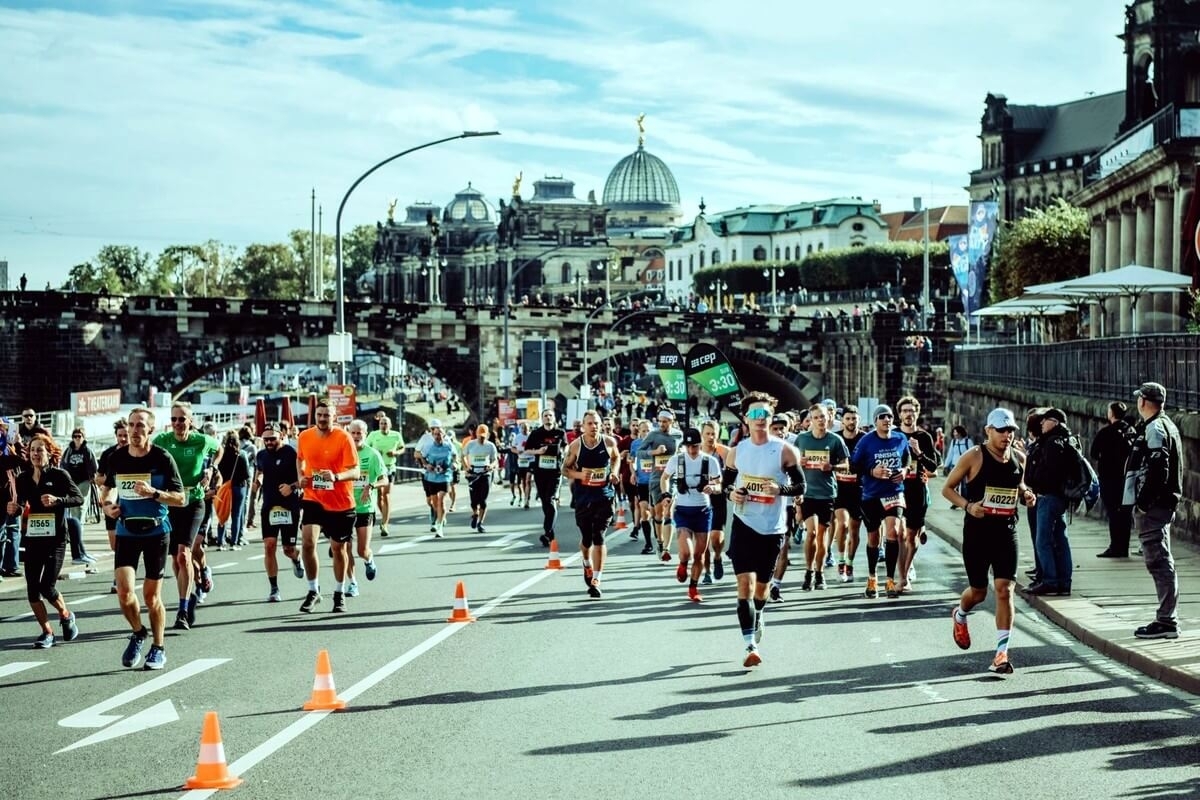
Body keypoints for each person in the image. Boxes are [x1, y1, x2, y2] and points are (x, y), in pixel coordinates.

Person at [942, 408, 1036, 675]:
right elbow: (947, 489)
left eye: (1011, 431)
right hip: (977, 533)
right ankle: (960, 614)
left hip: (1006, 531)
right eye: (1001, 430)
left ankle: (1001, 653)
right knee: (979, 592)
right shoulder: (973, 456)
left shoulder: (1019, 457)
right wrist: (968, 506)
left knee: (1005, 589)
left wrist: (1027, 494)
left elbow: (1019, 485)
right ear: (988, 431)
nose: (1007, 435)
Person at [723, 392, 805, 667]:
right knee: (744, 585)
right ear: (745, 419)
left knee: (761, 591)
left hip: (772, 529)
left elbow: (800, 487)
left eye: (765, 414)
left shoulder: (784, 450)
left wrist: (779, 489)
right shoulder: (737, 452)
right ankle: (750, 645)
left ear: (771, 418)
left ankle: (758, 614)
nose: (760, 419)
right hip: (744, 524)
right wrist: (732, 494)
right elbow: (726, 486)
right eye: (755, 415)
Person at [100, 407, 185, 670]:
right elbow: (107, 488)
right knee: (124, 593)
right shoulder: (117, 457)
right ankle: (138, 632)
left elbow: (181, 498)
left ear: (151, 429)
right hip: (126, 530)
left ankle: (159, 648)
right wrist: (107, 505)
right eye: (131, 425)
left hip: (156, 532)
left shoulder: (162, 457)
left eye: (140, 426)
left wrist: (154, 493)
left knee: (151, 597)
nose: (134, 430)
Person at [7, 434, 83, 648]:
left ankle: (66, 615)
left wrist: (57, 500)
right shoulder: (23, 478)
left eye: (40, 450)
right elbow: (21, 505)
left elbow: (79, 498)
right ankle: (47, 632)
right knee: (32, 588)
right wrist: (15, 509)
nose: (35, 454)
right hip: (33, 538)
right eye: (32, 450)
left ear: (49, 453)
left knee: (47, 587)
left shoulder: (59, 475)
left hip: (56, 539)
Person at [153, 402, 221, 632]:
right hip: (170, 503)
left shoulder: (201, 440)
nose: (178, 424)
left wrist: (210, 468)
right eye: (174, 419)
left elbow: (218, 448)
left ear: (190, 421)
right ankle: (190, 592)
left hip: (193, 502)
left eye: (182, 419)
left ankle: (182, 609)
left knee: (184, 554)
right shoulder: (162, 440)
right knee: (175, 560)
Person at [1124, 382, 1184, 639]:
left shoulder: (1156, 428)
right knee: (1160, 558)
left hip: (1155, 506)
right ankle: (1166, 618)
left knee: (1158, 560)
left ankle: (1167, 621)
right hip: (1161, 503)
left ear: (1143, 402)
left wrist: (1144, 502)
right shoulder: (1165, 424)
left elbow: (1160, 466)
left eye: (1139, 398)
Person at [295, 400, 360, 613]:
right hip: (313, 497)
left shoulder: (344, 437)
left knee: (338, 548)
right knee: (307, 543)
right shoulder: (305, 436)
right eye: (319, 415)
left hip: (340, 502)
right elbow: (300, 460)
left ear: (334, 417)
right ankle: (313, 590)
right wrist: (301, 476)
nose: (322, 419)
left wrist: (336, 476)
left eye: (327, 415)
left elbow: (356, 471)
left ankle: (339, 592)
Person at [848, 405, 910, 600]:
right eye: (882, 417)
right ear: (875, 421)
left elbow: (907, 459)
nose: (887, 420)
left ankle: (890, 580)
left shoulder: (900, 438)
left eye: (890, 416)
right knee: (874, 538)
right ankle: (872, 577)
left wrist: (905, 472)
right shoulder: (866, 441)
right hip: (872, 494)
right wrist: (871, 472)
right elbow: (853, 465)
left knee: (894, 532)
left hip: (894, 492)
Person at [561, 410, 621, 598]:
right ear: (583, 426)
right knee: (586, 539)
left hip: (604, 495)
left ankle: (597, 578)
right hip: (584, 497)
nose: (594, 427)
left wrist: (614, 473)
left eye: (596, 423)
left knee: (599, 536)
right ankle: (586, 562)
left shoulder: (609, 442)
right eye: (590, 423)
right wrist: (580, 475)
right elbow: (564, 469)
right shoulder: (576, 446)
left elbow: (616, 457)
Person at [661, 427, 722, 602]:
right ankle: (682, 564)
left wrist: (714, 488)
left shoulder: (710, 461)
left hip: (703, 511)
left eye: (694, 446)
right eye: (688, 446)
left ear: (700, 445)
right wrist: (666, 495)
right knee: (686, 552)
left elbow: (719, 484)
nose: (691, 450)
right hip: (683, 510)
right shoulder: (677, 460)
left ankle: (693, 588)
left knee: (699, 554)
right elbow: (664, 478)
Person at [794, 403, 850, 591]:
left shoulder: (835, 440)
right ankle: (808, 571)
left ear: (829, 418)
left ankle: (819, 573)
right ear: (811, 420)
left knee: (823, 535)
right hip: (808, 492)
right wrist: (798, 463)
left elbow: (846, 464)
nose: (820, 420)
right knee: (812, 533)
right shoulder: (802, 439)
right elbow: (790, 464)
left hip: (826, 493)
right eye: (816, 417)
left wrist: (831, 467)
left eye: (823, 417)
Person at [1023, 408, 1076, 596]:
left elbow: (1051, 473)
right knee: (1060, 540)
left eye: (1045, 420)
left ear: (1054, 422)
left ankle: (1050, 581)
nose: (1042, 424)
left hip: (1049, 497)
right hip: (1056, 497)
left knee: (1043, 541)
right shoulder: (1061, 440)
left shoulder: (1053, 443)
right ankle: (1063, 583)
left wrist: (1036, 482)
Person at [253, 422, 303, 603]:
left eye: (272, 439)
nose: (269, 442)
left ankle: (296, 558)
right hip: (269, 506)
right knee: (269, 545)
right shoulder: (261, 455)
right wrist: (257, 482)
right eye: (265, 439)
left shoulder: (292, 453)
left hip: (290, 506)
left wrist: (291, 487)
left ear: (281, 436)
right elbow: (259, 471)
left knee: (288, 549)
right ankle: (274, 588)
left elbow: (303, 478)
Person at [344, 420, 385, 596]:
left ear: (366, 434)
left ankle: (369, 560)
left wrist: (372, 486)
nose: (356, 436)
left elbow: (385, 479)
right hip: (344, 507)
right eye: (352, 433)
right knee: (345, 549)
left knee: (361, 550)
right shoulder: (343, 454)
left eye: (359, 433)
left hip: (365, 508)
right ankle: (352, 583)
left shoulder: (373, 454)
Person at [1091, 401, 1134, 558]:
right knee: (1125, 513)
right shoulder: (1130, 430)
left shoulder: (1106, 432)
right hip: (1127, 478)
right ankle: (1124, 546)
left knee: (1113, 513)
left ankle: (1115, 546)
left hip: (1109, 478)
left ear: (1111, 414)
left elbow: (1094, 452)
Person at [832, 404, 867, 582]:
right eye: (847, 418)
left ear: (858, 420)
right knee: (843, 524)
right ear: (842, 421)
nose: (851, 421)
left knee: (854, 530)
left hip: (859, 489)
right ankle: (841, 562)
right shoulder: (836, 439)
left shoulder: (865, 439)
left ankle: (850, 564)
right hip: (840, 489)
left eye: (854, 418)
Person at [525, 411, 567, 547]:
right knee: (545, 502)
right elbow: (527, 450)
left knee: (550, 499)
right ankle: (550, 533)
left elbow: (566, 448)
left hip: (555, 472)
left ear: (554, 418)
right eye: (545, 416)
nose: (548, 418)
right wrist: (538, 452)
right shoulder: (536, 433)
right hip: (540, 472)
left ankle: (547, 532)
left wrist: (561, 452)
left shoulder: (560, 432)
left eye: (550, 415)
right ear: (542, 419)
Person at [60, 428, 99, 569]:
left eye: (79, 436)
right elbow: (63, 464)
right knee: (70, 511)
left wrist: (93, 479)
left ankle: (79, 538)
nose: (77, 439)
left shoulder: (87, 451)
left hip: (83, 482)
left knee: (80, 510)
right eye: (75, 436)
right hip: (71, 483)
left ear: (83, 437)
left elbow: (93, 465)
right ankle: (77, 542)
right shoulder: (68, 451)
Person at [415, 419, 454, 538]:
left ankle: (440, 526)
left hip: (444, 477)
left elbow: (455, 457)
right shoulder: (428, 446)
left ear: (443, 434)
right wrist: (427, 465)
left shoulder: (448, 446)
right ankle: (438, 518)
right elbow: (421, 456)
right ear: (433, 435)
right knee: (434, 501)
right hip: (431, 477)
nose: (437, 436)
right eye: (435, 434)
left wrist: (453, 465)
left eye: (439, 434)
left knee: (441, 500)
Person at [365, 415, 403, 537]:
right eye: (381, 423)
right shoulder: (373, 435)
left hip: (390, 467)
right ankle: (384, 515)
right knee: (379, 496)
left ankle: (384, 524)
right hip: (377, 469)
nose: (383, 425)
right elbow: (366, 447)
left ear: (390, 425)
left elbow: (402, 447)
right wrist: (375, 453)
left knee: (386, 495)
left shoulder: (396, 435)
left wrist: (395, 452)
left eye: (385, 423)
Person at [215, 430, 251, 550]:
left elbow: (218, 471)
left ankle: (221, 541)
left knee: (223, 513)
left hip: (224, 487)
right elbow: (246, 474)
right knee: (237, 514)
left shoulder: (222, 455)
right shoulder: (241, 454)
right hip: (239, 487)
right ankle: (234, 542)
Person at [462, 424, 499, 533]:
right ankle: (475, 513)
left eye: (483, 436)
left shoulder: (490, 446)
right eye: (479, 436)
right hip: (473, 474)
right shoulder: (470, 444)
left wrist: (491, 466)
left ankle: (480, 523)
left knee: (483, 500)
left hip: (485, 474)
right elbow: (462, 456)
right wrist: (466, 468)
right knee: (474, 501)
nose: (481, 438)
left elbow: (495, 459)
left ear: (487, 435)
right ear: (476, 434)